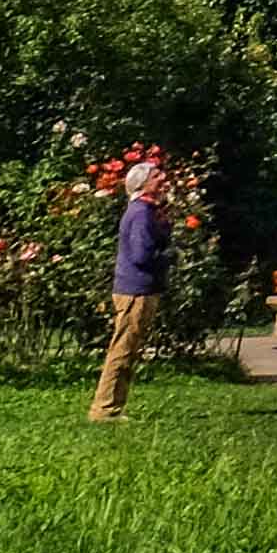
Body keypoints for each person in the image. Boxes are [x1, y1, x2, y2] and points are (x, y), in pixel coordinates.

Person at [88, 155, 168, 420]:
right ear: (143, 183)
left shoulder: (146, 212)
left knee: (129, 349)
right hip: (136, 290)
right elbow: (142, 255)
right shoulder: (140, 214)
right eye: (156, 176)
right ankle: (105, 408)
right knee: (122, 349)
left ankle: (113, 405)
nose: (163, 179)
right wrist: (169, 256)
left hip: (140, 288)